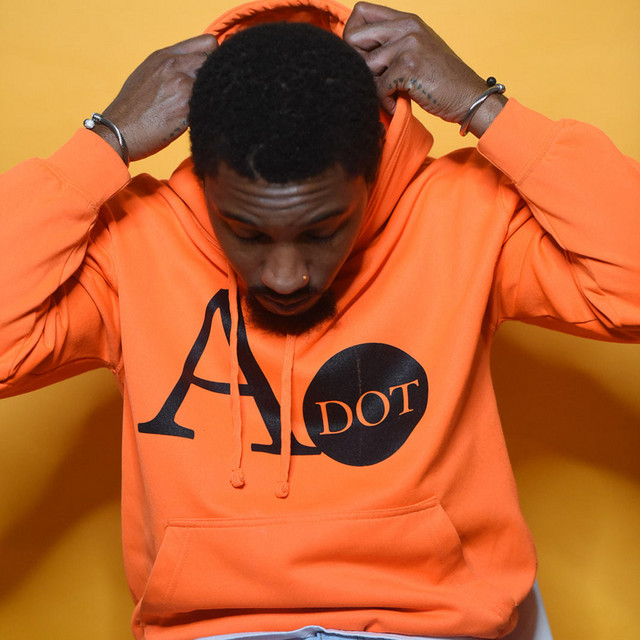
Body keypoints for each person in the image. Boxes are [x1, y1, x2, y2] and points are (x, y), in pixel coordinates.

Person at [0, 0, 638, 639]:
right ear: (207, 186)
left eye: (322, 230)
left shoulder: (462, 215)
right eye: (246, 231)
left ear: (372, 174)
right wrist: (102, 145)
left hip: (438, 625)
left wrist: (486, 108)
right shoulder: (135, 241)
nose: (285, 276)